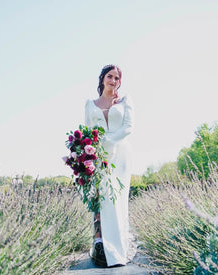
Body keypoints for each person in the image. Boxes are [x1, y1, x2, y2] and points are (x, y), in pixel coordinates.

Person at [84, 64, 133, 267]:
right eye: (110, 77)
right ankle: (100, 243)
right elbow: (87, 130)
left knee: (118, 198)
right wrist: (89, 151)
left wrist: (107, 140)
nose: (113, 81)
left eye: (117, 78)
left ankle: (118, 246)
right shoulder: (90, 104)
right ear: (102, 79)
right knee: (101, 196)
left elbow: (128, 127)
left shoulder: (124, 102)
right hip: (98, 156)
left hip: (120, 156)